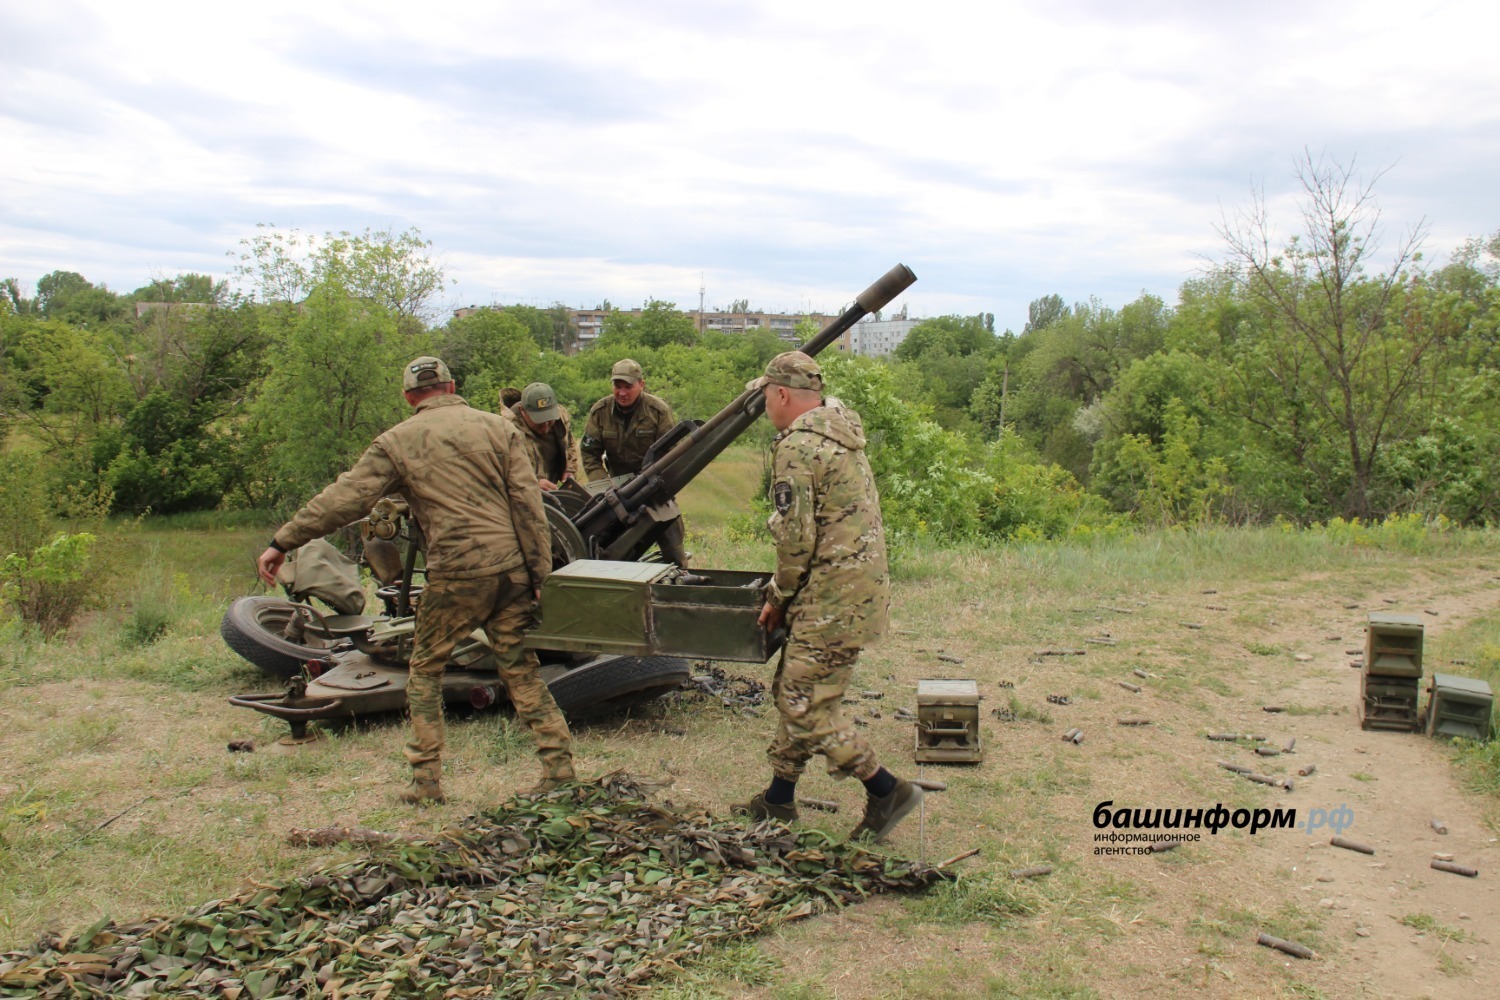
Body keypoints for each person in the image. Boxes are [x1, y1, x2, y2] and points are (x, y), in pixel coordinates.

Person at [255, 356, 574, 804]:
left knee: (424, 669)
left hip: (457, 574)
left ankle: (426, 782)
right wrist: (539, 574)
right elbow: (528, 506)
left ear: (408, 396)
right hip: (510, 570)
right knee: (521, 670)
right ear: (452, 385)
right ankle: (559, 772)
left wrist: (282, 541)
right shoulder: (499, 429)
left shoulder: (396, 442)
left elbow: (343, 500)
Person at [735, 351, 921, 841]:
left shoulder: (797, 446)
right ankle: (778, 799)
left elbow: (795, 539)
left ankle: (885, 789)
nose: (765, 406)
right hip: (854, 591)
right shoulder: (840, 430)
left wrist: (777, 594)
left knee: (802, 703)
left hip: (831, 595)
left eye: (765, 396)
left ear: (780, 394)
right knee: (798, 691)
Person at [580, 358, 689, 566]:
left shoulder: (658, 411)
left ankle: (680, 580)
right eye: (617, 386)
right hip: (615, 493)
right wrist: (602, 485)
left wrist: (658, 485)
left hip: (653, 488)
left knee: (673, 542)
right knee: (606, 548)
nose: (622, 393)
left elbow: (672, 453)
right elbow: (589, 453)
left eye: (628, 387)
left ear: (641, 385)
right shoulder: (600, 412)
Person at [501, 381, 582, 490]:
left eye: (549, 418)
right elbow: (502, 473)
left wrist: (569, 471)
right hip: (523, 495)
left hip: (551, 490)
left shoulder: (560, 419)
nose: (545, 424)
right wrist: (533, 483)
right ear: (522, 410)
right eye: (538, 419)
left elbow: (569, 444)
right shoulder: (506, 431)